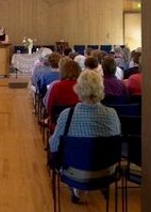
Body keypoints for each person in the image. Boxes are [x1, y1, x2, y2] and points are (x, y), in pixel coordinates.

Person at [49, 69, 121, 204]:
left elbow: (54, 146)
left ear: (78, 89)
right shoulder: (112, 114)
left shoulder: (66, 115)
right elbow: (116, 142)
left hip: (73, 171)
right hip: (107, 170)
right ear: (101, 89)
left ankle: (77, 188)